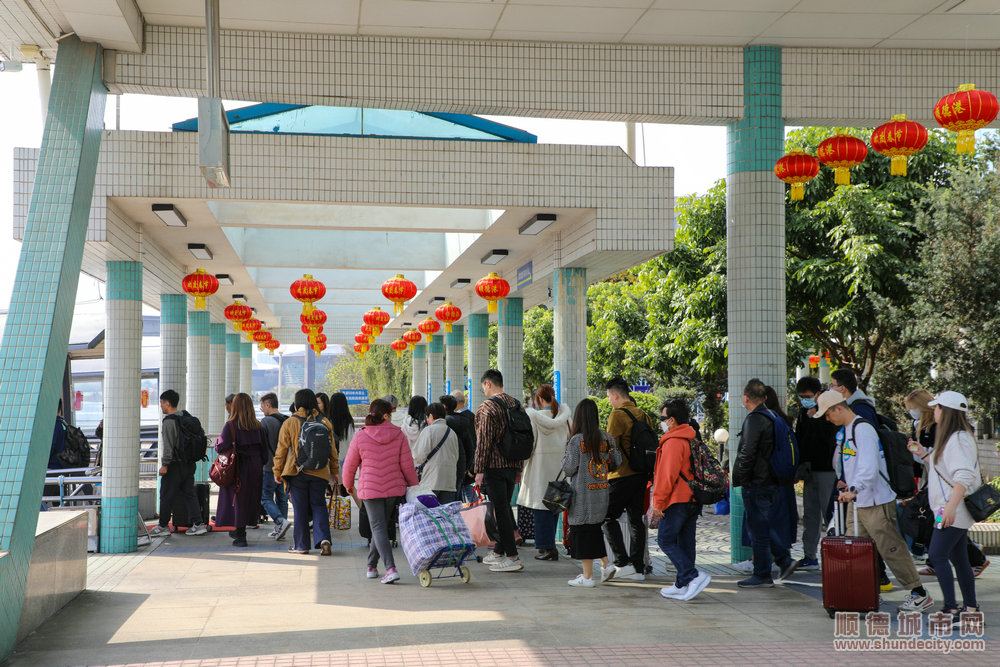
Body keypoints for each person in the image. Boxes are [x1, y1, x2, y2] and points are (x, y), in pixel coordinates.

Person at [814, 389, 933, 612]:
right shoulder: (848, 430)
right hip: (858, 502)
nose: (827, 419)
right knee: (855, 551)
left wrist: (854, 489)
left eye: (828, 414)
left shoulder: (863, 429)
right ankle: (860, 594)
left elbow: (868, 467)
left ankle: (919, 593)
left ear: (838, 408)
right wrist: (848, 486)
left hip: (875, 501)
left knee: (891, 548)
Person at [911, 391, 982, 623]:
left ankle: (951, 609)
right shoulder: (955, 437)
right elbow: (946, 470)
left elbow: (963, 476)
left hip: (952, 509)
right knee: (958, 558)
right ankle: (970, 609)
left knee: (937, 554)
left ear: (947, 411)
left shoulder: (958, 438)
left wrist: (951, 508)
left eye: (938, 407)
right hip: (949, 508)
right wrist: (923, 455)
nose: (935, 411)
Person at [342, 398, 418, 584]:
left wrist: (348, 484)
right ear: (385, 415)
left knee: (378, 527)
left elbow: (350, 464)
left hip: (371, 489)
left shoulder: (361, 435)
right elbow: (407, 465)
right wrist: (413, 484)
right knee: (381, 527)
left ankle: (390, 568)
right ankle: (371, 565)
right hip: (393, 488)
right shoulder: (399, 435)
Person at [733, 379, 797, 588]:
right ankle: (784, 560)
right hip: (773, 481)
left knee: (758, 529)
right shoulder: (773, 416)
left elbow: (747, 452)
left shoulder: (754, 419)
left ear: (745, 398)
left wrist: (742, 479)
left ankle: (762, 574)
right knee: (764, 525)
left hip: (757, 483)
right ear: (765, 397)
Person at [651, 398, 710, 601]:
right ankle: (682, 583)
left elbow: (667, 476)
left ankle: (692, 576)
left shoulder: (674, 442)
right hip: (692, 498)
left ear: (672, 420)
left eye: (663, 418)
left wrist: (657, 504)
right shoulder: (690, 437)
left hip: (677, 499)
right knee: (685, 542)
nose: (661, 422)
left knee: (665, 540)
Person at [561, 398, 621, 587]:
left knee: (583, 533)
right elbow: (616, 462)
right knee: (594, 530)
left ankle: (587, 577)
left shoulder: (577, 440)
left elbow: (569, 469)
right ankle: (606, 564)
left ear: (578, 417)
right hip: (601, 492)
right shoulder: (606, 437)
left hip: (581, 495)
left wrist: (565, 456)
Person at [273, 388, 340, 556]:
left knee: (300, 509)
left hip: (297, 473)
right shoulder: (324, 422)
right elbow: (332, 450)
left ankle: (302, 546)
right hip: (320, 472)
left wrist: (277, 471)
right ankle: (324, 539)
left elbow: (281, 450)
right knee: (319, 505)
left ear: (297, 403)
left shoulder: (290, 423)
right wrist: (335, 470)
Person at [474, 369, 525, 572]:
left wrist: (479, 470)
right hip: (513, 465)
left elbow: (483, 442)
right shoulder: (516, 404)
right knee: (503, 509)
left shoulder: (488, 407)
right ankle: (498, 552)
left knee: (501, 511)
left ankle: (512, 557)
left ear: (488, 384)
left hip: (494, 467)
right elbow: (522, 437)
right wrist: (519, 466)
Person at [602, 377, 652, 582]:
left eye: (608, 397)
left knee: (606, 516)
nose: (609, 402)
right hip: (641, 474)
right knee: (635, 520)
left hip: (621, 475)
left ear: (615, 395)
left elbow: (609, 446)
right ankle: (638, 568)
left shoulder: (617, 415)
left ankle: (622, 562)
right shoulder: (644, 415)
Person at [518, 385, 571, 561]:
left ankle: (546, 548)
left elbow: (528, 447)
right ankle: (550, 546)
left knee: (541, 510)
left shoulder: (533, 418)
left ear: (540, 399)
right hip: (559, 470)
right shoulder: (566, 418)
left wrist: (522, 466)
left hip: (539, 470)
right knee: (554, 507)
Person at [794, 376, 839, 571]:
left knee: (830, 515)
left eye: (808, 396)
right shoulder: (804, 412)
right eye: (801, 396)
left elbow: (830, 439)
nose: (805, 400)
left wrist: (816, 418)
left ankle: (835, 555)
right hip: (809, 470)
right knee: (810, 514)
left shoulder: (830, 409)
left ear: (818, 394)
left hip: (827, 470)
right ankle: (810, 555)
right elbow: (800, 439)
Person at [150, 390, 208, 537]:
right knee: (189, 494)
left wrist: (165, 464)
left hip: (175, 465)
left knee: (166, 495)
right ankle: (198, 524)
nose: (161, 406)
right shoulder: (186, 416)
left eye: (161, 403)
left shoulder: (169, 421)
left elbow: (168, 446)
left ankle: (163, 526)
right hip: (189, 464)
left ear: (167, 403)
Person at [216, 393, 268, 547]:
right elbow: (265, 452)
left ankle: (240, 534)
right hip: (255, 467)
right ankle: (241, 528)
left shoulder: (231, 425)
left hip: (238, 467)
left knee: (235, 499)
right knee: (249, 499)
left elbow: (220, 446)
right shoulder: (258, 426)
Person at [412, 402, 460, 503]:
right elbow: (456, 457)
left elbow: (418, 456)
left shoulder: (428, 431)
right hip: (449, 482)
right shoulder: (452, 433)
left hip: (431, 481)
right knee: (445, 516)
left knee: (430, 516)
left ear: (431, 416)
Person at [259, 393, 291, 540]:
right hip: (286, 467)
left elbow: (260, 445)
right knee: (282, 498)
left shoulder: (265, 422)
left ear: (268, 405)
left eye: (262, 406)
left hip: (269, 466)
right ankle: (280, 529)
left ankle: (280, 521)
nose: (261, 409)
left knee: (265, 497)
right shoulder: (287, 420)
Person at [440, 394, 474, 498]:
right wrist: (467, 466)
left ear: (444, 407)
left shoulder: (443, 424)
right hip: (461, 466)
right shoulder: (465, 421)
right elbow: (470, 447)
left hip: (445, 467)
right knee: (458, 499)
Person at [329, 392, 356, 467]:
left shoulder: (328, 422)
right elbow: (351, 441)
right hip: (346, 459)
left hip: (332, 460)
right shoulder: (349, 422)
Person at [49, 399, 67, 470]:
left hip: (52, 466)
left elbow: (51, 445)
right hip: (62, 464)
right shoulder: (63, 423)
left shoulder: (54, 425)